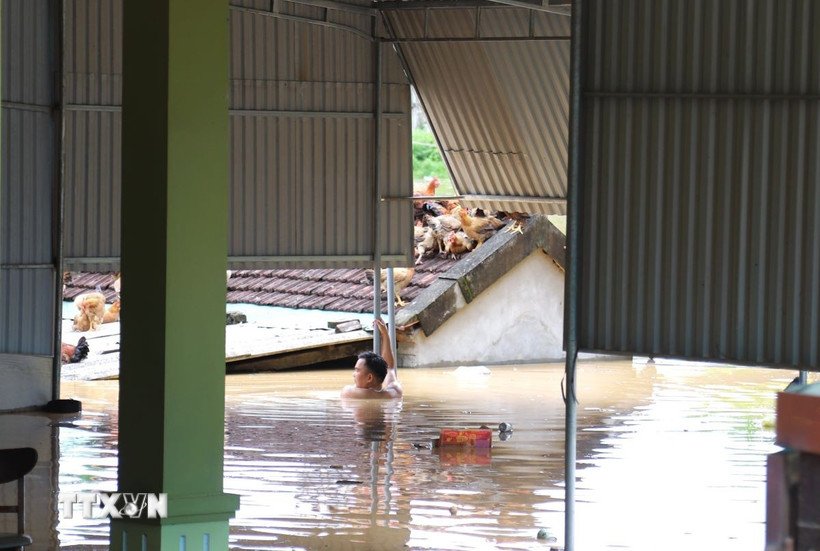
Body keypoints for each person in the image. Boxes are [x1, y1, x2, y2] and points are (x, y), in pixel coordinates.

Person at [341, 319, 403, 400]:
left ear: (369, 378)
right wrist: (385, 333)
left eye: (357, 370)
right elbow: (389, 368)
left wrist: (384, 334)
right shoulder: (394, 392)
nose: (354, 374)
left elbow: (388, 367)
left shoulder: (350, 393)